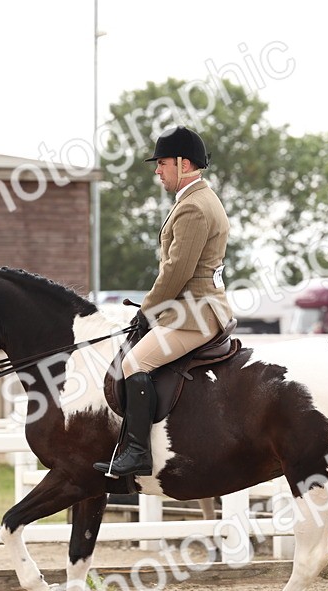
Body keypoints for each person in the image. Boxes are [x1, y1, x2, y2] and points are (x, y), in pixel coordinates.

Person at [94, 125, 233, 478]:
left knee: (133, 364)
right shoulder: (197, 200)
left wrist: (147, 309)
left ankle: (138, 453)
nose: (157, 170)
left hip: (195, 313)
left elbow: (176, 271)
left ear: (184, 164)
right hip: (193, 309)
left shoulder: (194, 208)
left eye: (162, 163)